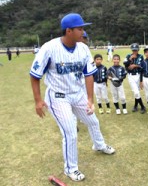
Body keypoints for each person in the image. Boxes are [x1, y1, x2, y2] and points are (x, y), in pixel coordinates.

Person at [29, 13, 115, 182]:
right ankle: (71, 169)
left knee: (93, 121)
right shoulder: (49, 48)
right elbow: (35, 75)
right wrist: (38, 100)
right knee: (70, 132)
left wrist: (89, 100)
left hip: (77, 94)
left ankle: (99, 145)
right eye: (80, 28)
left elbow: (89, 74)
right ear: (68, 31)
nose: (83, 32)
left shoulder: (83, 48)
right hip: (58, 97)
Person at [123, 43, 146, 114]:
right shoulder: (128, 56)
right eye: (133, 50)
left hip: (138, 75)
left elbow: (142, 67)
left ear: (138, 50)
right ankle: (142, 106)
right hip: (131, 76)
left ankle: (135, 106)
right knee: (136, 92)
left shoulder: (141, 56)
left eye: (136, 50)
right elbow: (125, 64)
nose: (134, 52)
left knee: (137, 92)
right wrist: (130, 59)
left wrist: (135, 66)